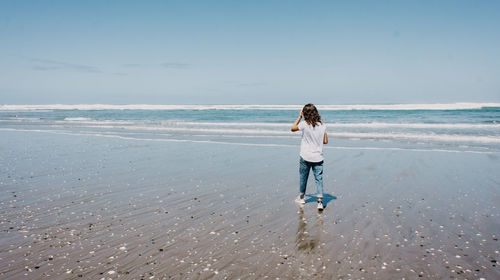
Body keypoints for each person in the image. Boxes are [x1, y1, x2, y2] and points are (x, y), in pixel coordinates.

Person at [291, 104, 328, 210]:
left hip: (305, 155)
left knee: (303, 177)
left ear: (304, 113)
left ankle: (301, 197)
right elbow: (325, 141)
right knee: (319, 179)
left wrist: (299, 117)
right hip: (318, 157)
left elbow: (292, 128)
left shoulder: (304, 124)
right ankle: (320, 202)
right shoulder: (322, 125)